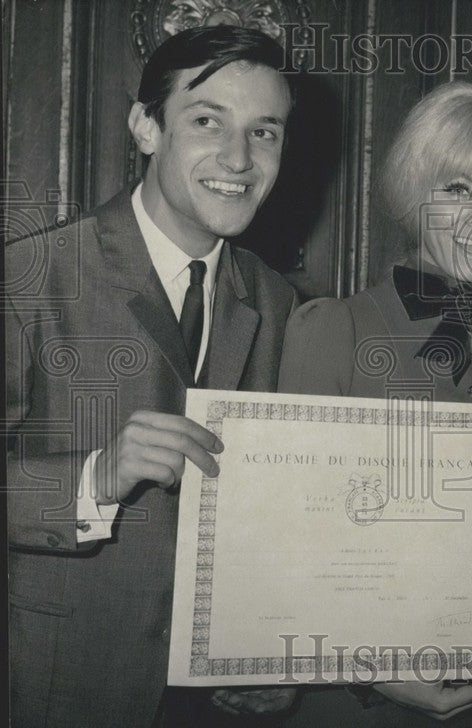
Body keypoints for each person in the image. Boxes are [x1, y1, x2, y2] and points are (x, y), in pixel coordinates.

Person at [6, 26, 298, 726]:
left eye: (264, 132)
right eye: (207, 122)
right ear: (146, 127)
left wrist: (281, 651)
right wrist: (93, 478)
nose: (239, 158)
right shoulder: (28, 278)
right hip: (50, 685)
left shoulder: (280, 301)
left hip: (216, 703)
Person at [277, 80, 472, 725]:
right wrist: (375, 673)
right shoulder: (333, 331)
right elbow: (285, 544)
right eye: (457, 189)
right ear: (413, 194)